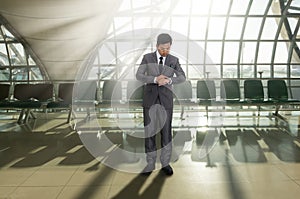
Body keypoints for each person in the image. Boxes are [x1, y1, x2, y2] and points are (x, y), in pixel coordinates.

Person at [136, 33, 186, 176]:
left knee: (166, 132)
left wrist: (169, 80)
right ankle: (150, 163)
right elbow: (139, 75)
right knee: (149, 132)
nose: (165, 51)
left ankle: (165, 163)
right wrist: (154, 79)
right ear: (157, 46)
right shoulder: (147, 58)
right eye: (163, 48)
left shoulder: (173, 60)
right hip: (150, 100)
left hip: (166, 101)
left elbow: (182, 77)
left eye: (168, 48)